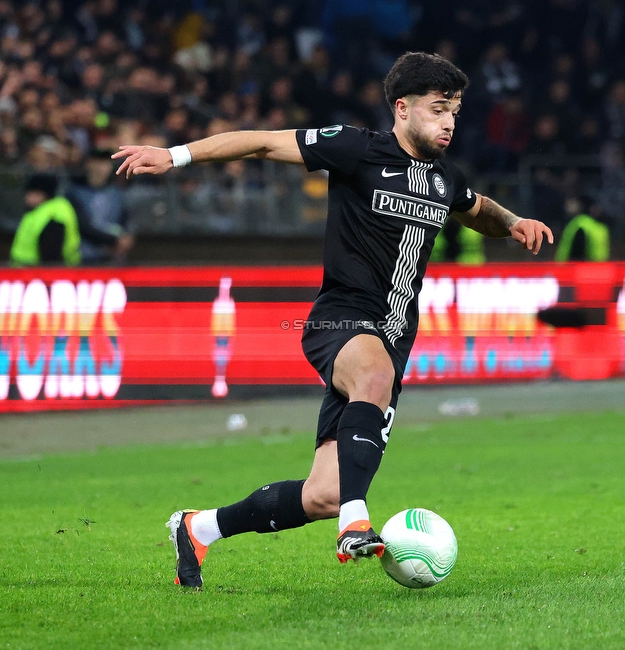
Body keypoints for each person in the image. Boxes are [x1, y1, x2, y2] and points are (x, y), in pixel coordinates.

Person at [113, 52, 553, 590]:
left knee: (321, 493)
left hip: (391, 342)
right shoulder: (356, 150)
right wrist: (175, 155)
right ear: (403, 108)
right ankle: (355, 523)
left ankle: (199, 527)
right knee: (372, 380)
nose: (449, 123)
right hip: (340, 321)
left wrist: (513, 223)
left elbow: (475, 206)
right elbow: (261, 140)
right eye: (439, 110)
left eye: (455, 113)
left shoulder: (444, 179)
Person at [67, 148, 134, 264]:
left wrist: (126, 238)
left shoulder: (117, 194)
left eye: (104, 163)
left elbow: (126, 221)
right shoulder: (74, 193)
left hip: (112, 259)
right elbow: (81, 226)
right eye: (97, 162)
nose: (100, 167)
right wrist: (113, 240)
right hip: (82, 258)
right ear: (88, 164)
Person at [10, 174, 82, 266]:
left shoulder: (53, 215)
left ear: (45, 195)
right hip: (28, 274)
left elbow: (51, 257)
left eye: (34, 194)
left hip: (37, 274)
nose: (28, 198)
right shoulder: (37, 213)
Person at [555, 196, 610, 262]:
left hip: (577, 268)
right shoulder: (601, 227)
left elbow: (577, 252)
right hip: (599, 268)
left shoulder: (579, 223)